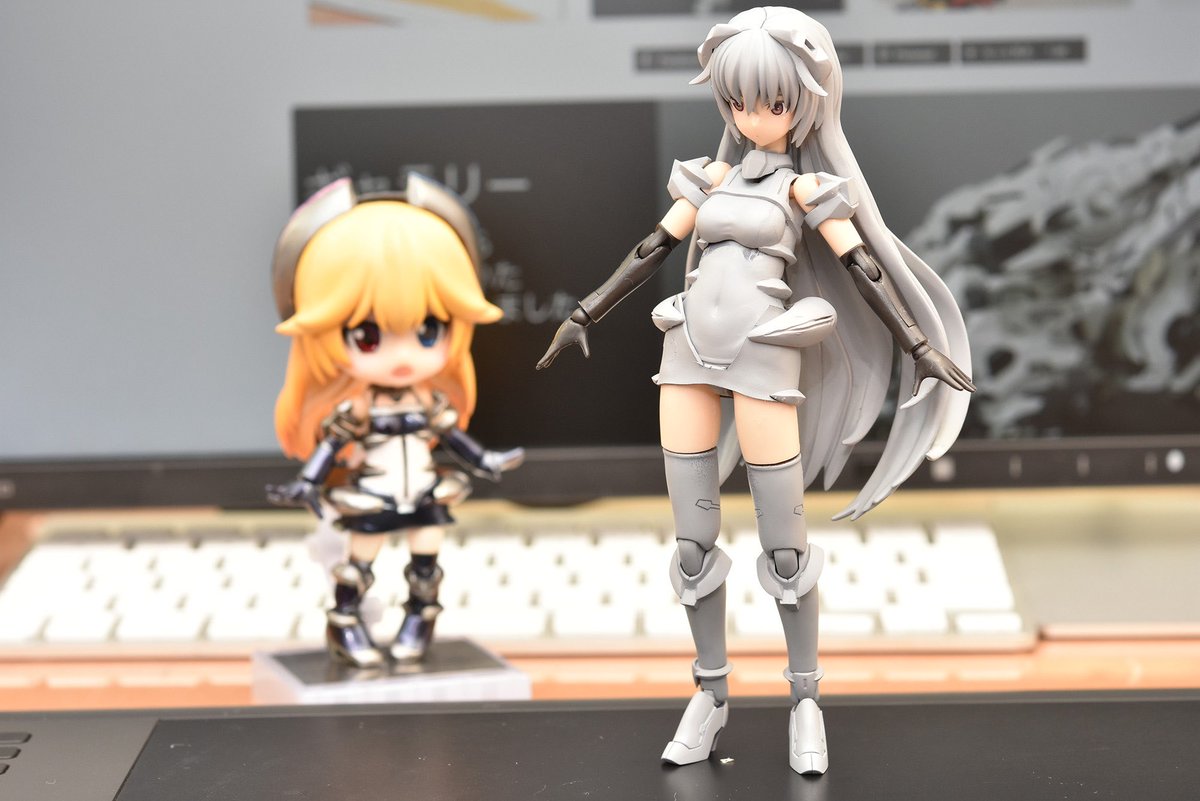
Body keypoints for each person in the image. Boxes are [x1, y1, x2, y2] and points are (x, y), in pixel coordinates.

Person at [538, 6, 973, 775]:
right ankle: (710, 693)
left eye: (771, 102)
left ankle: (805, 699)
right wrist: (585, 311)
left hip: (765, 357)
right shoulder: (708, 178)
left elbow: (864, 267)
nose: (752, 116)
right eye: (738, 101)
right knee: (692, 547)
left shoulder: (809, 190)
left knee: (785, 546)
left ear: (804, 102)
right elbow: (653, 247)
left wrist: (918, 344)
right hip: (686, 352)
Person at [270, 174, 523, 667]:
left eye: (429, 329)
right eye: (367, 335)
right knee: (359, 562)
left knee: (426, 562)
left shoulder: (428, 401)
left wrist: (484, 460)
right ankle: (346, 622)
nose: (403, 356)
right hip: (375, 493)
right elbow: (331, 446)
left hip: (423, 491)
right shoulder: (360, 408)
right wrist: (309, 482)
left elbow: (453, 437)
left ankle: (419, 619)